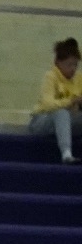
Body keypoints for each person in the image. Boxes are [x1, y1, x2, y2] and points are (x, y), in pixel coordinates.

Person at [29, 37, 82, 165]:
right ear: (58, 63)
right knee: (61, 112)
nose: (73, 69)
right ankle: (66, 154)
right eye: (69, 65)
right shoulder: (50, 76)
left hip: (69, 121)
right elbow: (47, 104)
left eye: (75, 65)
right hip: (43, 121)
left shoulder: (79, 79)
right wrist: (70, 101)